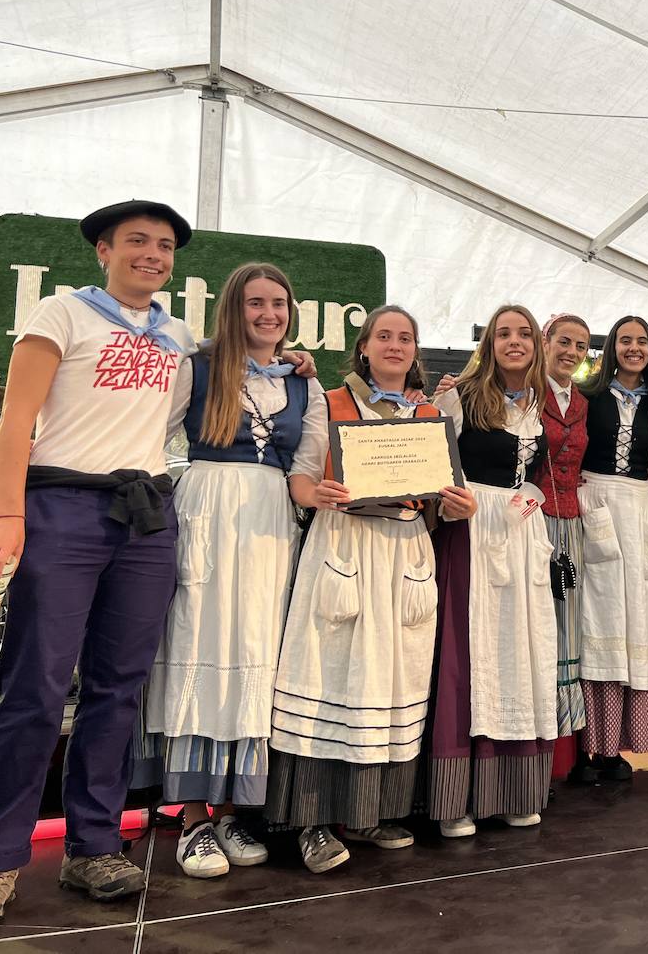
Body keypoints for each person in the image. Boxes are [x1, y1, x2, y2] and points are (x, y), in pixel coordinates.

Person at [0, 201, 199, 927]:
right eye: (136, 242)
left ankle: (94, 846)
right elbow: (15, 421)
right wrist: (8, 514)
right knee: (35, 685)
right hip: (61, 508)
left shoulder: (176, 334)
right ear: (102, 250)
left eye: (163, 246)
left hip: (145, 515)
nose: (152, 254)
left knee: (119, 688)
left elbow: (172, 422)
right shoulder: (62, 313)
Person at [265, 305, 475, 873]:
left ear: (415, 352)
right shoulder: (328, 401)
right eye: (384, 335)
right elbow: (301, 476)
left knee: (392, 678)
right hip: (345, 540)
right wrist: (317, 495)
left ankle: (371, 811)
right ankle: (310, 821)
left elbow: (444, 495)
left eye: (405, 338)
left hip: (406, 546)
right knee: (327, 671)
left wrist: (460, 505)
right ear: (364, 346)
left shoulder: (432, 414)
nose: (394, 345)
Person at [137, 263, 325, 878]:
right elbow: (153, 438)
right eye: (255, 303)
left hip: (271, 524)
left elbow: (306, 463)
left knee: (258, 654)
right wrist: (173, 505)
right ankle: (191, 816)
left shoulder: (303, 384)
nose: (269, 314)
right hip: (208, 515)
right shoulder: (198, 367)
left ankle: (233, 813)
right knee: (198, 644)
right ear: (232, 310)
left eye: (279, 302)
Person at [425, 305, 557, 836]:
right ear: (489, 344)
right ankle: (456, 797)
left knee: (520, 652)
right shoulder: (457, 396)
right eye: (503, 334)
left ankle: (513, 789)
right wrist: (450, 502)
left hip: (521, 535)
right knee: (467, 652)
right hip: (472, 530)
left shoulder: (539, 401)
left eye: (524, 333)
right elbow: (432, 466)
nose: (514, 341)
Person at [573, 316, 648, 782]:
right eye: (626, 341)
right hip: (598, 502)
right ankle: (597, 748)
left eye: (643, 341)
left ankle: (629, 745)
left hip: (638, 507)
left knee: (639, 622)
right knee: (602, 620)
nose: (635, 348)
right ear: (611, 347)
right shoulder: (588, 398)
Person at [530, 313, 591, 741]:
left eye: (581, 347)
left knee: (570, 621)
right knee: (538, 619)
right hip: (531, 519)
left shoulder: (585, 402)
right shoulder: (527, 395)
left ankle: (565, 741)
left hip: (572, 523)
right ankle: (534, 727)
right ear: (545, 342)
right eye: (563, 342)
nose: (571, 352)